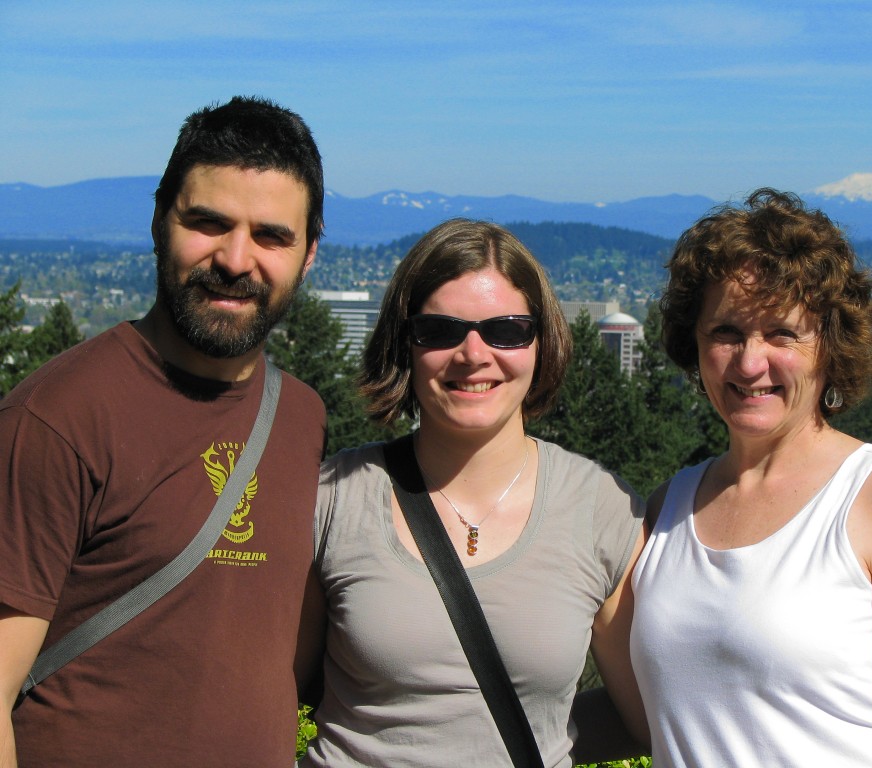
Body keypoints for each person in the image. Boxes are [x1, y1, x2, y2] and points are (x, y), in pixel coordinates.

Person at [0, 96, 328, 768]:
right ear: (158, 220)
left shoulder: (303, 417)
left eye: (271, 236)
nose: (237, 260)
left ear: (310, 253)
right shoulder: (59, 417)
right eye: (208, 223)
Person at [630, 188, 872, 767]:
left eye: (781, 334)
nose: (750, 362)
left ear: (830, 348)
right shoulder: (668, 509)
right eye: (727, 332)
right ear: (695, 343)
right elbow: (638, 712)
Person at [304, 218, 648, 767]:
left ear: (542, 341)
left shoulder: (601, 510)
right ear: (405, 342)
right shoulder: (334, 498)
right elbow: (272, 690)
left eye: (507, 330)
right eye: (439, 330)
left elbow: (645, 716)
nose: (473, 353)